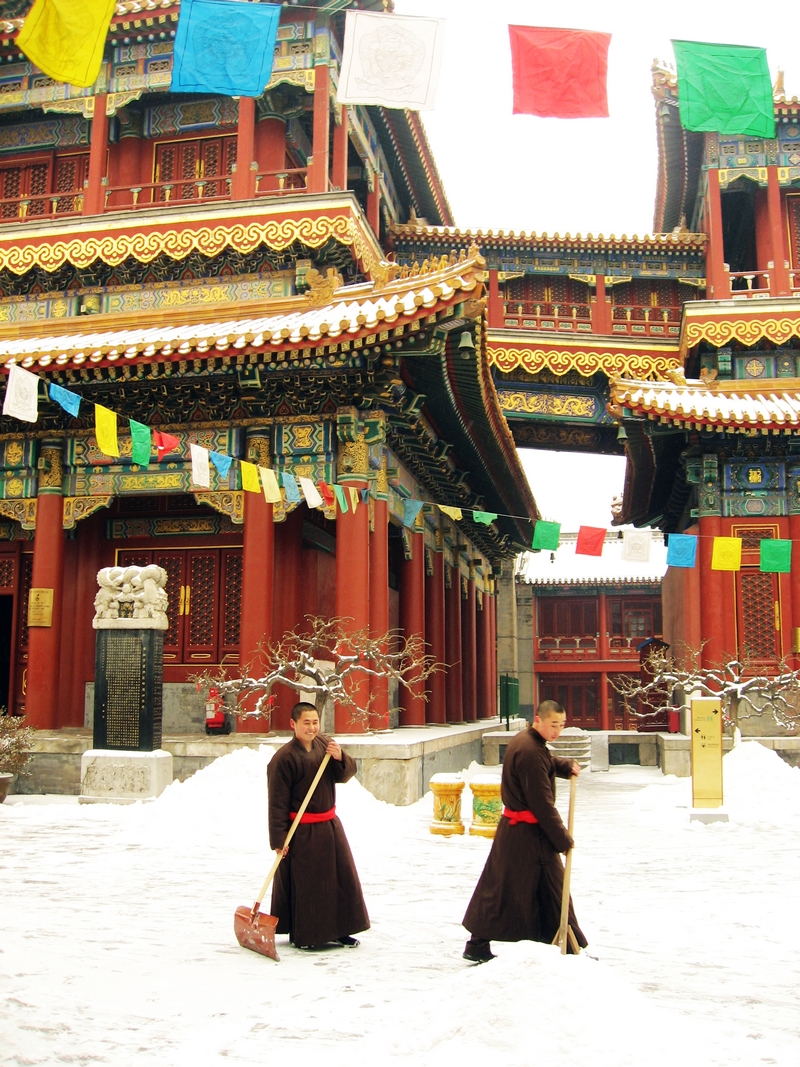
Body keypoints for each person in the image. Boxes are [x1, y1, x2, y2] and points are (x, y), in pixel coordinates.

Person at [462, 698, 588, 963]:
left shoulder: (528, 742)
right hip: (529, 835)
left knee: (503, 887)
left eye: (562, 725)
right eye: (554, 724)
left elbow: (545, 762)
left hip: (517, 833)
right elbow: (542, 804)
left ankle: (478, 943)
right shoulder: (530, 750)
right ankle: (571, 948)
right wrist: (561, 838)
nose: (558, 731)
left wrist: (561, 765)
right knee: (551, 885)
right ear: (538, 720)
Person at [267, 702, 370, 950]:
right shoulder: (283, 759)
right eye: (306, 722)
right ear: (293, 724)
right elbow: (276, 804)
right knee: (310, 885)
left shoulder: (326, 745)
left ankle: (341, 929)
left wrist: (340, 757)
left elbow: (344, 775)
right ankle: (307, 934)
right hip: (302, 831)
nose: (312, 727)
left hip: (330, 825)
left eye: (315, 722)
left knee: (341, 879)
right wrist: (279, 841)